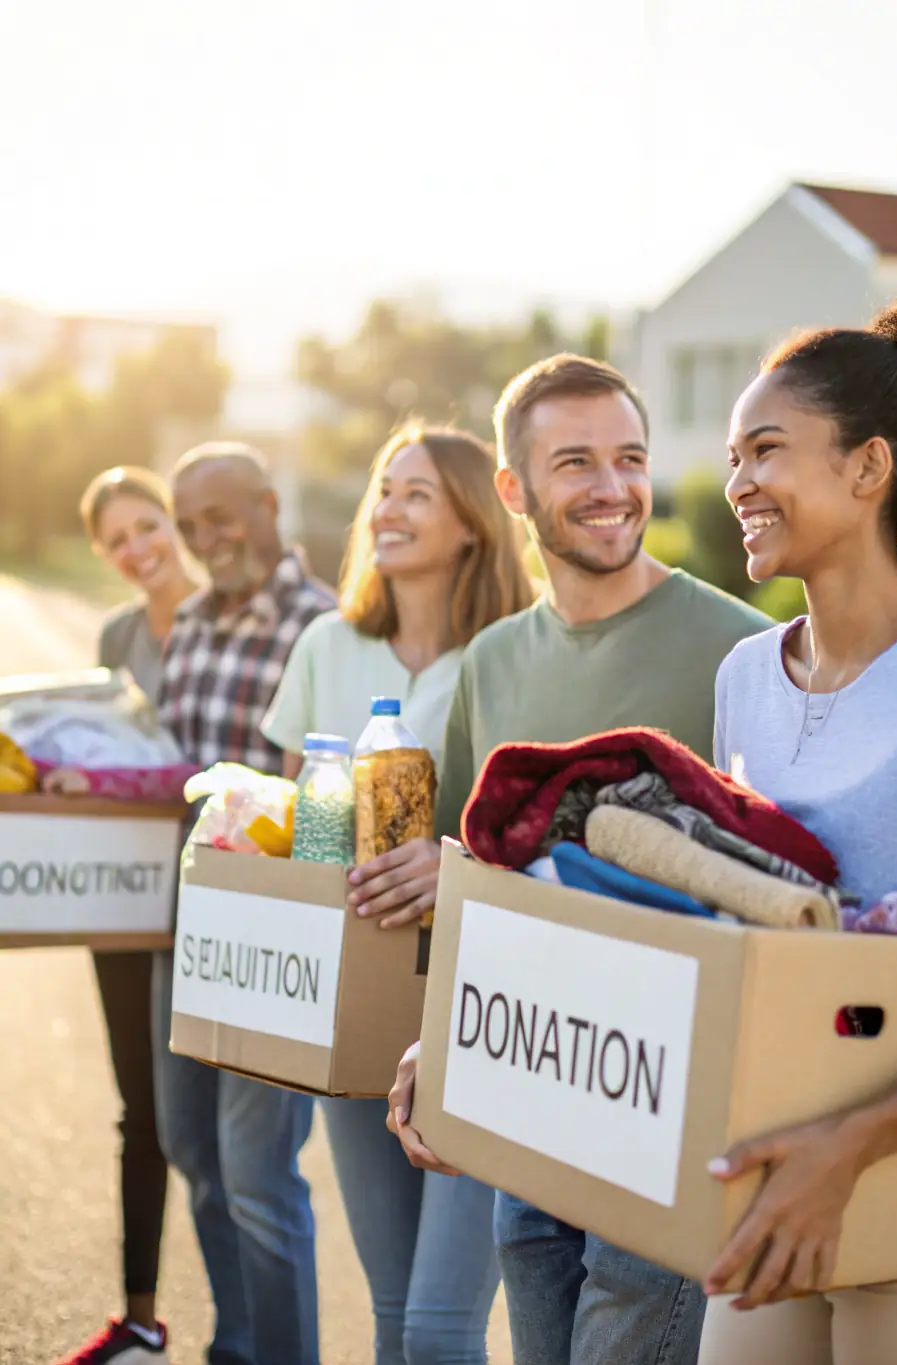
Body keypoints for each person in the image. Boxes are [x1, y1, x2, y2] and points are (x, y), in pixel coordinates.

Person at [358, 355, 769, 1365]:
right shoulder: (494, 660)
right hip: (531, 1104)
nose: (612, 488)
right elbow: (479, 880)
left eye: (629, 458)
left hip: (667, 1115)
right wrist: (440, 1046)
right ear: (514, 490)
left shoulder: (739, 653)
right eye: (574, 462)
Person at [696, 299, 897, 1365]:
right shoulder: (743, 677)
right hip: (773, 1170)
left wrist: (854, 1147)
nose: (737, 480)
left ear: (868, 466)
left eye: (766, 450)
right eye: (733, 455)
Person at [261, 423, 535, 1364]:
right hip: (361, 997)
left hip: (474, 1004)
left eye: (417, 492)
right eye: (385, 488)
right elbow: (297, 819)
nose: (388, 508)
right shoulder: (327, 645)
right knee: (389, 1313)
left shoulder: (513, 651)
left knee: (439, 1325)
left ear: (473, 522)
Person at [152, 442, 334, 1365]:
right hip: (180, 928)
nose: (205, 540)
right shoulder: (188, 620)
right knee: (190, 1146)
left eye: (219, 517)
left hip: (270, 937)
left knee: (257, 1172)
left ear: (269, 504)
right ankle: (240, 1342)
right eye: (190, 526)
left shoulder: (324, 624)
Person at [56, 468, 199, 1365]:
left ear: (173, 522)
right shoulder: (115, 632)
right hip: (124, 893)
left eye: (148, 526)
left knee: (218, 1143)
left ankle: (252, 1333)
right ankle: (140, 1319)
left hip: (212, 896)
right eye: (119, 541)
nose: (138, 548)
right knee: (137, 1113)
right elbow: (103, 743)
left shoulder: (227, 617)